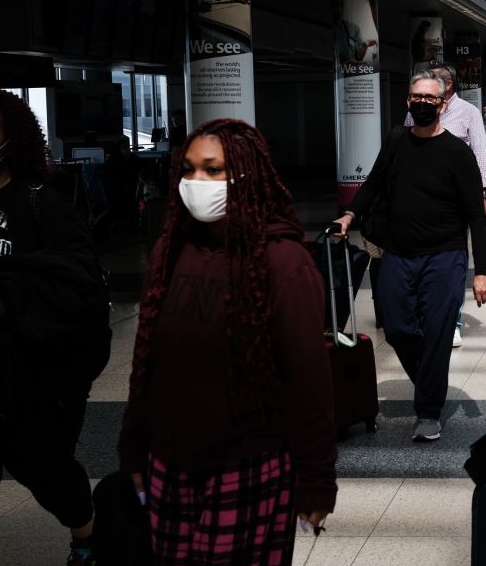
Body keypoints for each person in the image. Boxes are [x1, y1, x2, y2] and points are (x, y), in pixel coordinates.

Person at [117, 119, 337, 565]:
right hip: (168, 460)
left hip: (246, 462)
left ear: (246, 175)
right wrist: (134, 446)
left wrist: (317, 478)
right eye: (190, 169)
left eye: (214, 170)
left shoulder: (283, 263)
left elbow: (309, 381)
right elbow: (148, 361)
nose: (198, 182)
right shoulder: (170, 252)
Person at [0, 88, 110, 566]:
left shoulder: (41, 204)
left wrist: (13, 299)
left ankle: (86, 531)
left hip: (28, 380)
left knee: (47, 470)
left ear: (9, 141)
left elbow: (78, 284)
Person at [334, 70, 486, 442]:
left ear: (442, 104)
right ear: (408, 102)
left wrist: (482, 272)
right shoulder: (396, 141)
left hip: (445, 256)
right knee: (398, 328)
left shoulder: (457, 152)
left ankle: (428, 411)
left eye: (430, 99)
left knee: (437, 332)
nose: (422, 104)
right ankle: (430, 378)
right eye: (416, 98)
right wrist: (350, 214)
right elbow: (373, 183)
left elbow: (475, 216)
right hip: (398, 253)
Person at [403, 62, 486, 346]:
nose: (426, 93)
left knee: (450, 262)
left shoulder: (468, 112)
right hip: (419, 199)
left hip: (455, 200)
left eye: (435, 80)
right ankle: (422, 316)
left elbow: (480, 151)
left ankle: (451, 320)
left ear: (449, 85)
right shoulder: (416, 110)